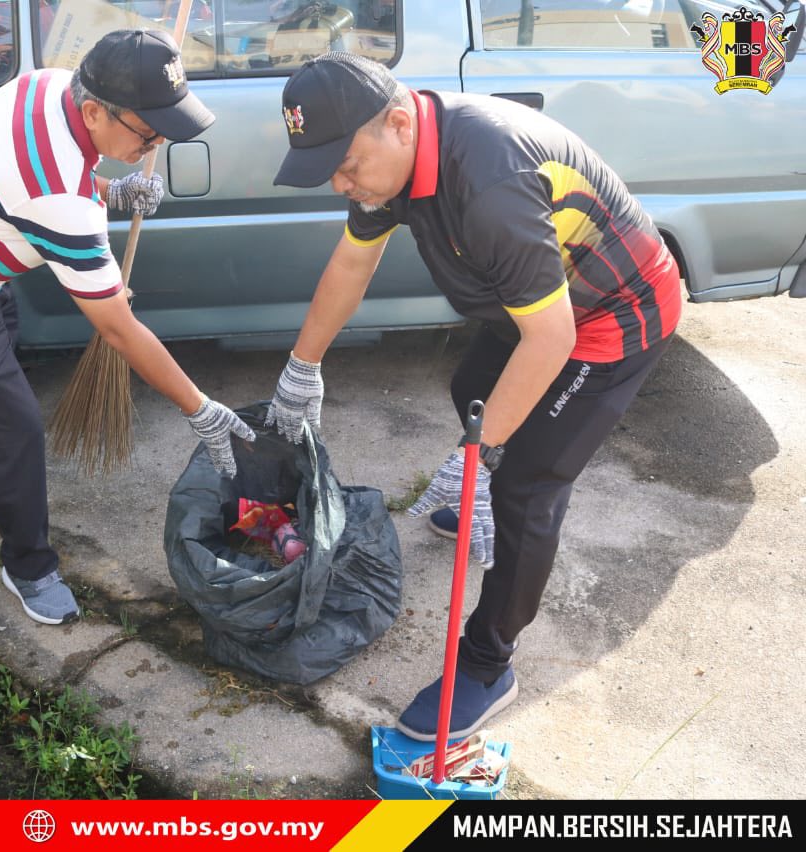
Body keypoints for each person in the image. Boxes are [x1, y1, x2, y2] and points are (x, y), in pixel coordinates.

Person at [266, 53, 680, 740]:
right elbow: (351, 263)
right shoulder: (391, 165)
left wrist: (480, 456)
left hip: (609, 318)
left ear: (399, 124)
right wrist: (301, 367)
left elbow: (550, 341)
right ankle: (480, 493)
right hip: (532, 308)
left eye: (346, 165)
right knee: (471, 389)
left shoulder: (488, 176)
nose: (341, 184)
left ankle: (489, 665)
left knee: (527, 484)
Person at [0, 30, 255, 626]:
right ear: (94, 110)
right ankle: (29, 566)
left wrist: (113, 188)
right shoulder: (59, 198)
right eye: (149, 131)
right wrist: (200, 408)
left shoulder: (46, 85)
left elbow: (49, 178)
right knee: (12, 428)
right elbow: (117, 327)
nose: (158, 142)